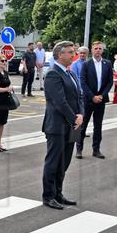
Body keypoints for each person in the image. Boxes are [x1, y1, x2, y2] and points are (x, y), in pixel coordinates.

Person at [41, 41, 83, 210]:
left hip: (71, 125)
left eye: (74, 51)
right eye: (70, 52)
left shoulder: (70, 73)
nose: (74, 55)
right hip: (57, 126)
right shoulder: (53, 74)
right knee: (53, 162)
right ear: (60, 55)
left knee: (64, 162)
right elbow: (60, 102)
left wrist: (80, 114)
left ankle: (58, 193)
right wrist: (75, 118)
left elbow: (79, 97)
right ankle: (48, 195)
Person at [77, 41, 112, 159]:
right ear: (92, 50)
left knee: (98, 126)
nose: (98, 50)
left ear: (103, 50)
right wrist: (92, 96)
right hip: (88, 99)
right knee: (82, 125)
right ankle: (79, 149)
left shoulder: (107, 64)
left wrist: (102, 95)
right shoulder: (86, 64)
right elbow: (83, 82)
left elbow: (109, 82)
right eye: (96, 48)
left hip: (101, 100)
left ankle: (96, 150)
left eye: (100, 48)